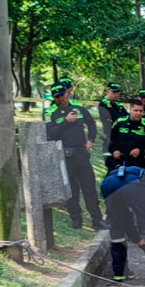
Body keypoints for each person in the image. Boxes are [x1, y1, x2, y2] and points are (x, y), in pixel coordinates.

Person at [45, 82, 106, 230]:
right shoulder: (50, 112)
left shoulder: (77, 108)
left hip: (81, 152)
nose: (60, 99)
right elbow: (50, 134)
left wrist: (90, 140)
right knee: (71, 190)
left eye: (62, 95)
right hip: (64, 155)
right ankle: (76, 219)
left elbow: (91, 124)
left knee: (89, 188)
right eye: (57, 97)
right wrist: (66, 122)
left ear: (67, 93)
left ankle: (96, 220)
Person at [101, 165, 145, 287]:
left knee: (117, 226)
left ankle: (120, 272)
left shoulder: (124, 175)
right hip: (133, 185)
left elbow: (127, 221)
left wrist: (139, 240)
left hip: (107, 184)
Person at [97, 83, 128, 173]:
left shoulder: (119, 105)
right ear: (107, 92)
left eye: (118, 92)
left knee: (123, 167)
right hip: (109, 140)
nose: (116, 94)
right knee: (112, 168)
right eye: (114, 92)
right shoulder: (103, 105)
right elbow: (113, 119)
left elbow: (127, 118)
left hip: (121, 139)